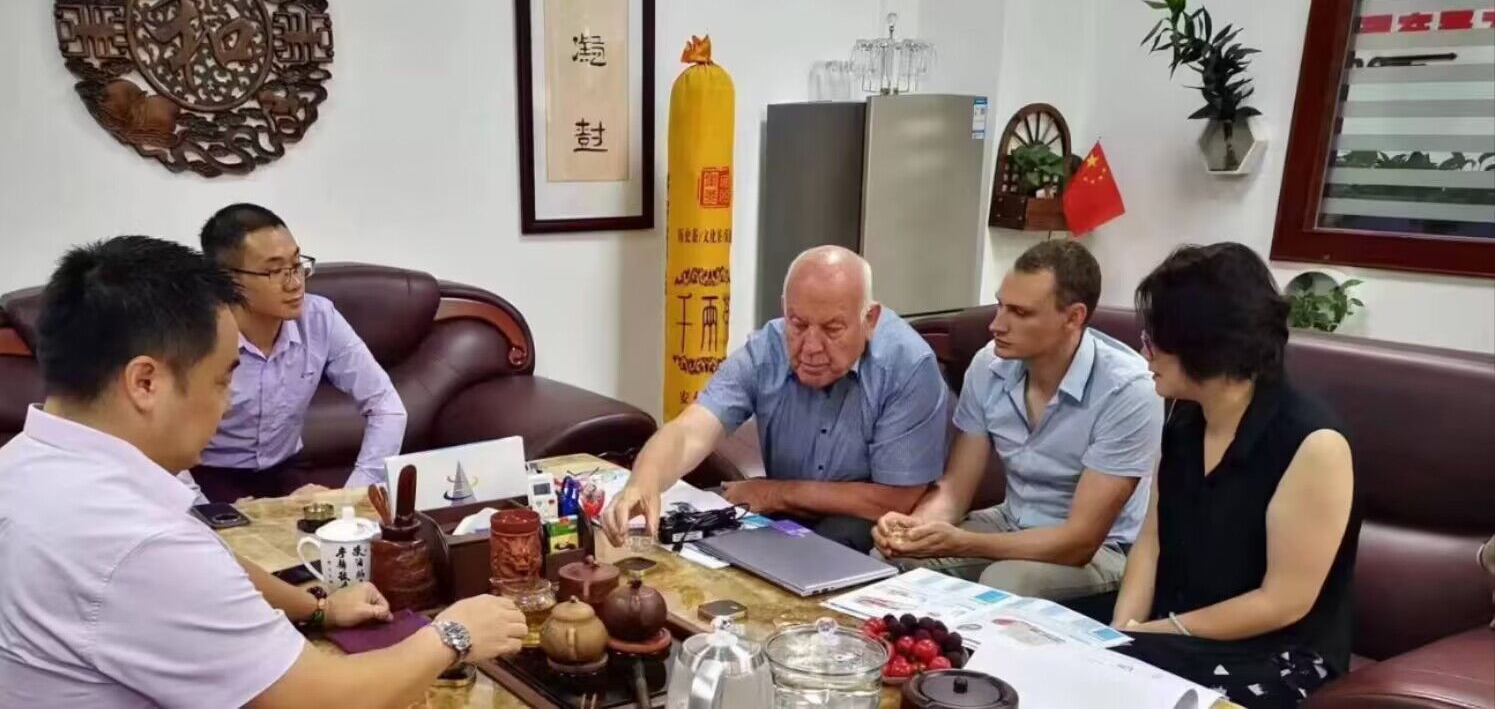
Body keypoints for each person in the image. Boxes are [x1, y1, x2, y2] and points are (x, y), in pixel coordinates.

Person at [0, 236, 527, 708]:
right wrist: (452, 636)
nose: (228, 403)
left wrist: (318, 608)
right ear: (145, 383)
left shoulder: (27, 464)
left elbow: (206, 560)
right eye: (221, 380)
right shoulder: (142, 544)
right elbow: (320, 700)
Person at [1110, 243, 1358, 708]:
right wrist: (1121, 629)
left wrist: (1156, 634)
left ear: (1201, 345)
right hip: (1176, 632)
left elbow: (1283, 601)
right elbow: (1152, 538)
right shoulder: (1183, 416)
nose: (1144, 353)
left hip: (1276, 653)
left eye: (1154, 340)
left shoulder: (1313, 443)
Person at [603, 245, 950, 552]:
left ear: (869, 319)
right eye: (798, 324)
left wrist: (776, 493)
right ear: (785, 310)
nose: (811, 346)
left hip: (865, 519)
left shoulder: (907, 365)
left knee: (826, 546)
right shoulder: (767, 349)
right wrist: (643, 481)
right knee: (696, 539)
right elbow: (691, 430)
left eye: (832, 329)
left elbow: (898, 498)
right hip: (788, 510)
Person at [873, 240, 1163, 601]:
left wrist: (963, 543)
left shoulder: (1128, 390)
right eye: (1000, 305)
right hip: (1010, 521)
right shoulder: (988, 365)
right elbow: (955, 490)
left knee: (1005, 581)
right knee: (889, 561)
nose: (997, 325)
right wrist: (916, 528)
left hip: (1102, 549)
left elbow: (1079, 541)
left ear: (1073, 317)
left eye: (1020, 313)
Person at [189, 203, 407, 502]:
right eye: (274, 271)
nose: (295, 283)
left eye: (296, 265)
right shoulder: (195, 332)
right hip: (210, 475)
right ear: (228, 279)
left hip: (286, 469)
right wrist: (201, 511)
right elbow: (157, 439)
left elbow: (386, 404)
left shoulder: (319, 318)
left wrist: (353, 494)